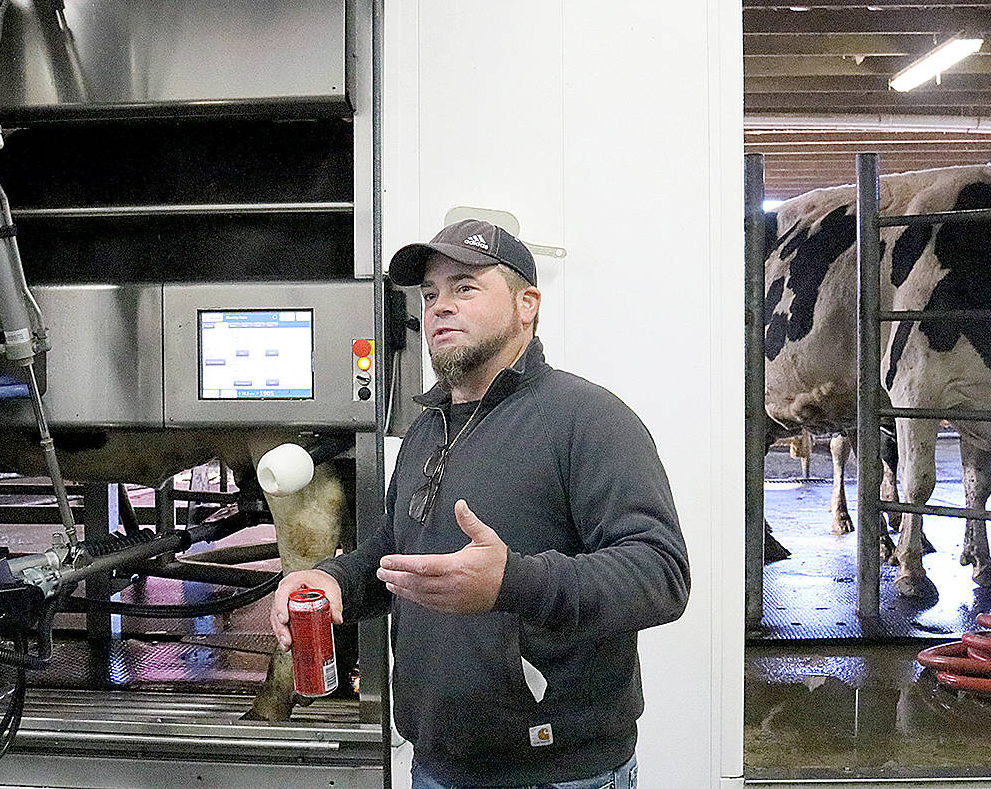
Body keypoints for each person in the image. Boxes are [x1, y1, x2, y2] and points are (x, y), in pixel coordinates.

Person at [271, 219, 689, 788]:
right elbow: (396, 552)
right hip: (437, 764)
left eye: (465, 287)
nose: (440, 307)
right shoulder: (427, 428)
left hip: (556, 773)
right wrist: (334, 580)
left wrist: (511, 582)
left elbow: (660, 574)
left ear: (527, 304)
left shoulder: (589, 419)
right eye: (430, 294)